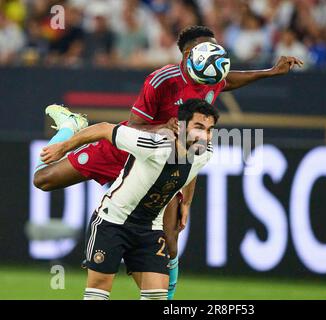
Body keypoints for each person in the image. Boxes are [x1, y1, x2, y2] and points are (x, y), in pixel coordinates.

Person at [33, 25, 303, 299]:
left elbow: (229, 82)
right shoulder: (162, 79)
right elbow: (136, 123)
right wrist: (165, 127)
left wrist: (270, 71)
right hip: (130, 148)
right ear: (188, 55)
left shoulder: (212, 78)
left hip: (161, 165)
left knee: (170, 244)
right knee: (43, 180)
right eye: (202, 49)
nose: (210, 55)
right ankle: (71, 125)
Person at [40, 99, 218, 300]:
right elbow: (105, 129)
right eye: (199, 127)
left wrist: (186, 202)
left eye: (210, 130)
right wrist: (63, 147)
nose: (205, 136)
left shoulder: (205, 152)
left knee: (157, 297)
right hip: (112, 223)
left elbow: (192, 169)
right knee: (97, 295)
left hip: (149, 230)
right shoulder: (152, 145)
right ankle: (68, 127)